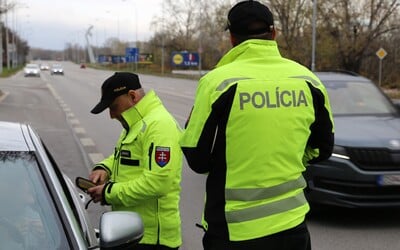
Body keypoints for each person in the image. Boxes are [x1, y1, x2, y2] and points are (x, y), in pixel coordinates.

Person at [180, 1, 334, 250]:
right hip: (292, 226)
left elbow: (197, 160)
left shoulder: (217, 83)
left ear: (231, 38)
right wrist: (289, 159)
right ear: (273, 33)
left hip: (234, 231)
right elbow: (323, 148)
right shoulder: (308, 80)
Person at [87, 72, 183, 250]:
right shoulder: (136, 123)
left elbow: (158, 182)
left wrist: (109, 193)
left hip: (151, 239)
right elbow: (125, 158)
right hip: (130, 232)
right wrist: (104, 168)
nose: (111, 115)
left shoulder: (159, 125)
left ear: (132, 96)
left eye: (113, 107)